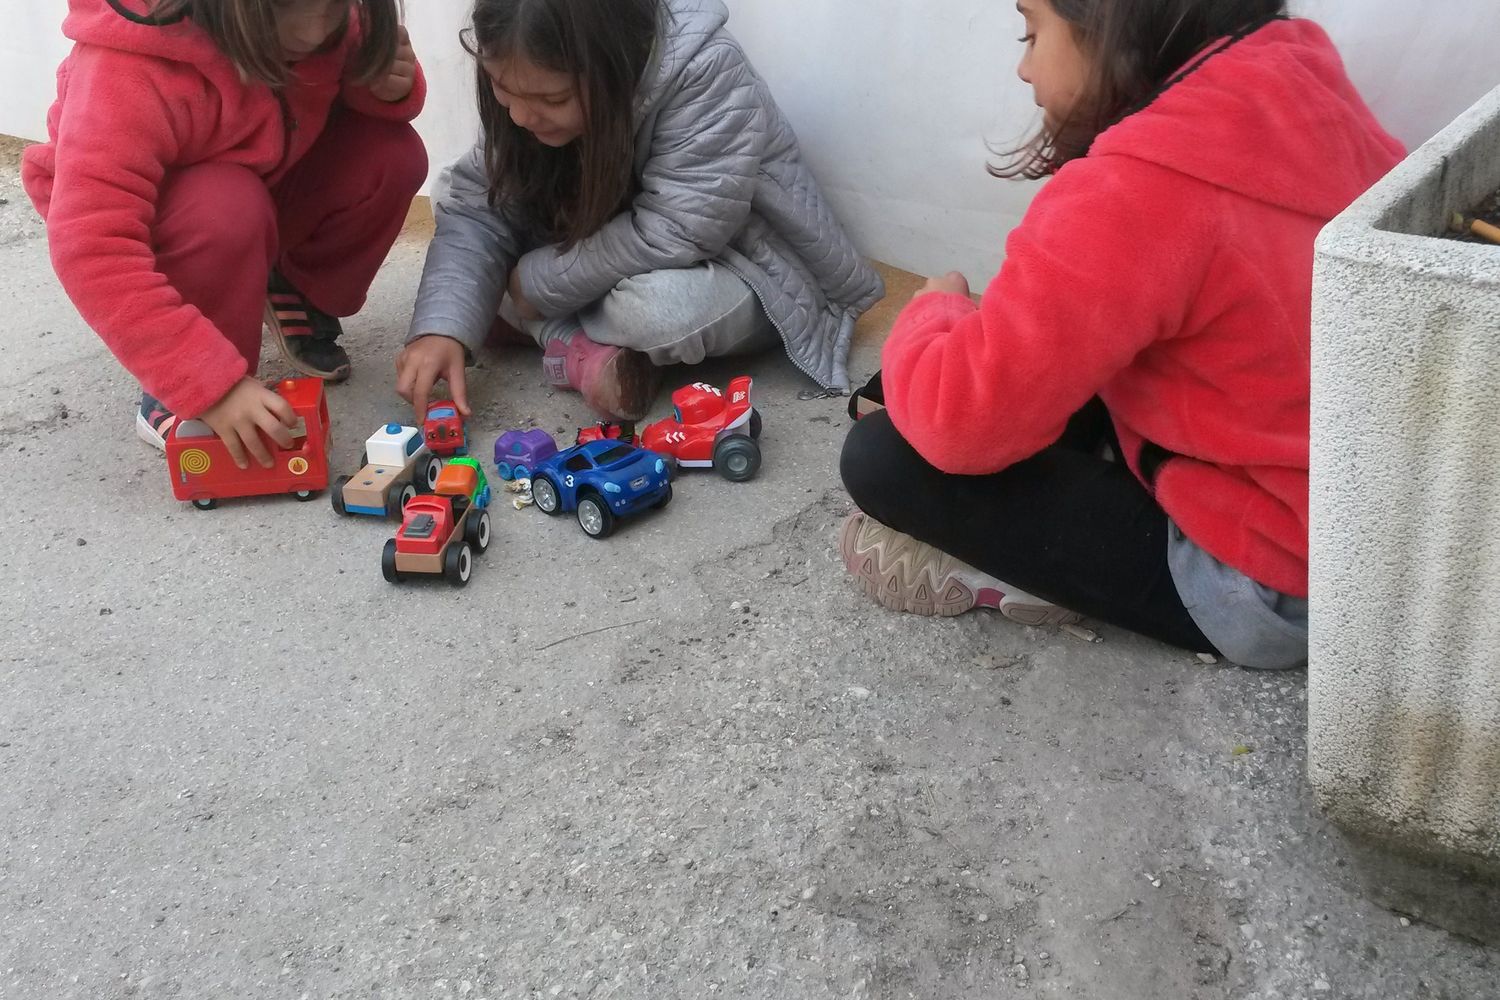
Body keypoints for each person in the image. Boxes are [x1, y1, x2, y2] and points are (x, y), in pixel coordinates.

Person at [837, 0, 1404, 668]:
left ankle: (1025, 573)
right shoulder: (1291, 71)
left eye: (1031, 31)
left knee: (884, 456)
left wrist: (932, 311)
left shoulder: (1137, 184)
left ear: (1105, 27)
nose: (1022, 68)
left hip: (1273, 582)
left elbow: (955, 421)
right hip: (1368, 527)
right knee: (1024, 368)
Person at [396, 0, 883, 424]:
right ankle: (580, 346)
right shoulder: (526, 94)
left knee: (651, 311)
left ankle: (547, 329)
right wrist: (441, 329)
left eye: (552, 99)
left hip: (737, 266)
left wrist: (535, 285)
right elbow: (477, 207)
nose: (521, 117)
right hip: (603, 256)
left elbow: (679, 232)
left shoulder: (706, 69)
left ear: (612, 64)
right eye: (503, 88)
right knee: (454, 215)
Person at [23, 0, 428, 470]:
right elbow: (92, 246)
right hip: (181, 223)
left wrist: (388, 85)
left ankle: (288, 287)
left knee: (391, 156)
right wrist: (206, 383)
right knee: (226, 206)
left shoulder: (323, 15)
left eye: (336, 7)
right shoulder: (127, 66)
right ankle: (171, 397)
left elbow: (354, 95)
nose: (317, 29)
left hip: (264, 184)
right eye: (283, 10)